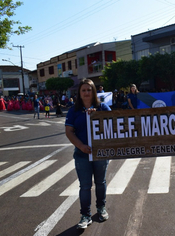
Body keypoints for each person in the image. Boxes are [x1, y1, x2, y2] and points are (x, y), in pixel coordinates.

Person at [65, 78, 111, 229]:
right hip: (82, 154)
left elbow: (114, 124)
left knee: (100, 182)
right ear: (79, 92)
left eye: (89, 90)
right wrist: (81, 146)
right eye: (83, 90)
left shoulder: (103, 107)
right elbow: (69, 132)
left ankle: (101, 208)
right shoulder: (73, 111)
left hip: (100, 153)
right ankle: (85, 215)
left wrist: (98, 116)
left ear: (94, 92)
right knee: (85, 186)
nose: (86, 92)